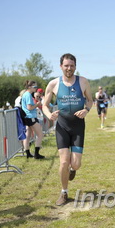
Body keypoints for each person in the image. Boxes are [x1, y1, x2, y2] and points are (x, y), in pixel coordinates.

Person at [42, 53, 93, 206]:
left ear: (75, 66)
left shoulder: (83, 82)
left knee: (75, 164)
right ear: (61, 67)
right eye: (66, 66)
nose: (69, 68)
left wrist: (86, 110)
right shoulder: (53, 84)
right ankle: (64, 192)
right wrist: (50, 115)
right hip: (62, 126)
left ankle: (73, 169)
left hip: (78, 127)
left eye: (71, 65)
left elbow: (90, 100)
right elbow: (44, 105)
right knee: (64, 162)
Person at [21, 80, 45, 159]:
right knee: (40, 135)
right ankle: (36, 154)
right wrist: (37, 105)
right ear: (29, 87)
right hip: (31, 117)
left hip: (27, 117)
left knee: (27, 136)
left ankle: (28, 153)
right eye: (34, 87)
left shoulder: (25, 94)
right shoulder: (28, 95)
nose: (36, 88)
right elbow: (29, 107)